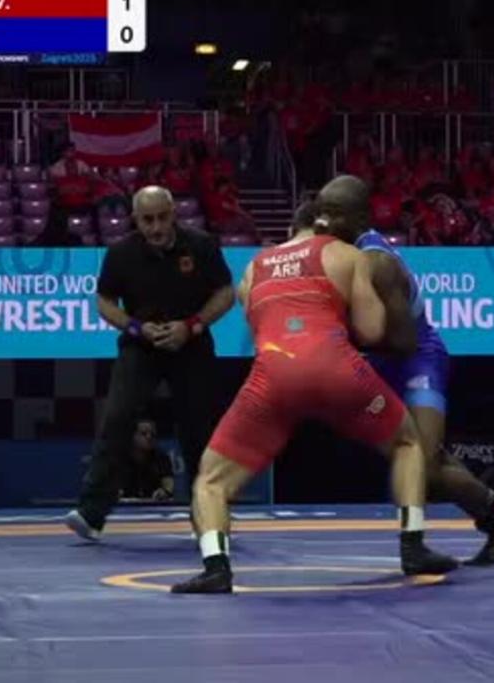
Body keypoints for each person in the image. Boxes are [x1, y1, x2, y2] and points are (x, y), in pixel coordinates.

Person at [170, 204, 458, 593]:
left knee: (210, 479)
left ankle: (216, 567)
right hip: (336, 370)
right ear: (324, 226)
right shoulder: (346, 254)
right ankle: (413, 546)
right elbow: (372, 331)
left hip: (275, 377)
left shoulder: (254, 267)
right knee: (408, 443)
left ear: (292, 228)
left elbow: (260, 324)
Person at [313, 175, 494, 571]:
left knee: (425, 465)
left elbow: (403, 342)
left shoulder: (378, 263)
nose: (324, 223)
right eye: (321, 213)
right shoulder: (335, 253)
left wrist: (345, 342)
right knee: (426, 460)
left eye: (335, 214)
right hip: (381, 360)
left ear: (361, 218)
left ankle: (492, 520)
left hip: (417, 358)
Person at [65, 186, 236, 541]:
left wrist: (191, 326)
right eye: (147, 220)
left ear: (173, 214)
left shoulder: (201, 245)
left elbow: (225, 293)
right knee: (117, 418)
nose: (156, 227)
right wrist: (136, 327)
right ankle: (91, 513)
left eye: (161, 218)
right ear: (136, 220)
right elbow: (104, 301)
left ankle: (208, 518)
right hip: (140, 346)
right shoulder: (121, 253)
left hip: (191, 345)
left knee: (200, 430)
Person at [118, 419, 175, 501]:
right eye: (143, 434)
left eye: (153, 434)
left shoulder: (162, 458)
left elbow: (168, 484)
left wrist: (164, 492)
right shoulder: (120, 458)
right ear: (132, 436)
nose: (149, 437)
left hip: (152, 504)